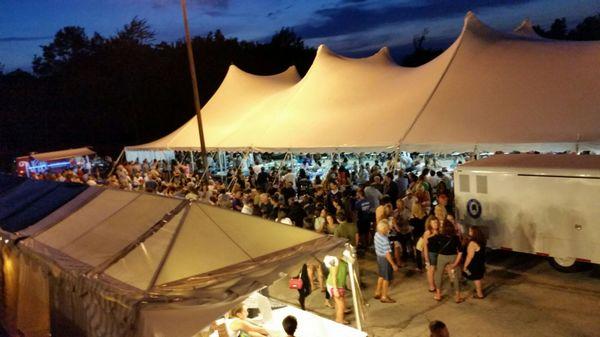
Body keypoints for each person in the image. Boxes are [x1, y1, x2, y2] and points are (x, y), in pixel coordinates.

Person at [430, 220, 464, 303]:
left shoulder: (439, 236)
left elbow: (430, 242)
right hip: (453, 257)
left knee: (439, 275)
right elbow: (460, 251)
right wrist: (456, 263)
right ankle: (457, 297)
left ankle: (438, 294)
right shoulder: (456, 237)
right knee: (455, 276)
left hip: (442, 257)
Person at [374, 219, 398, 303]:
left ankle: (377, 292)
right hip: (385, 259)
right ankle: (384, 296)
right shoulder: (385, 240)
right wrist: (393, 264)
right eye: (387, 228)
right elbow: (387, 254)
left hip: (379, 257)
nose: (389, 229)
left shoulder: (376, 234)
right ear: (384, 229)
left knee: (381, 275)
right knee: (386, 278)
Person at [324, 255, 349, 324]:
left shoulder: (342, 261)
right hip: (335, 286)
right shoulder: (335, 264)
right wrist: (335, 290)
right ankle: (339, 320)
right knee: (341, 305)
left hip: (336, 285)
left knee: (338, 303)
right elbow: (334, 277)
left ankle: (338, 317)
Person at [463, 226, 487, 299]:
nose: (469, 233)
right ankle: (478, 290)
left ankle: (479, 294)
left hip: (474, 265)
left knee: (476, 278)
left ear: (474, 233)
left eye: (470, 231)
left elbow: (469, 256)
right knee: (478, 278)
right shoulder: (482, 241)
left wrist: (465, 266)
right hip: (480, 263)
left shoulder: (472, 243)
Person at [423, 216, 440, 292]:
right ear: (429, 223)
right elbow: (425, 245)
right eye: (433, 222)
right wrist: (426, 257)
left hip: (438, 252)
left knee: (435, 270)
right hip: (431, 253)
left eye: (436, 222)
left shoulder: (439, 231)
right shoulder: (427, 232)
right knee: (431, 270)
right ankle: (431, 286)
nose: (435, 224)